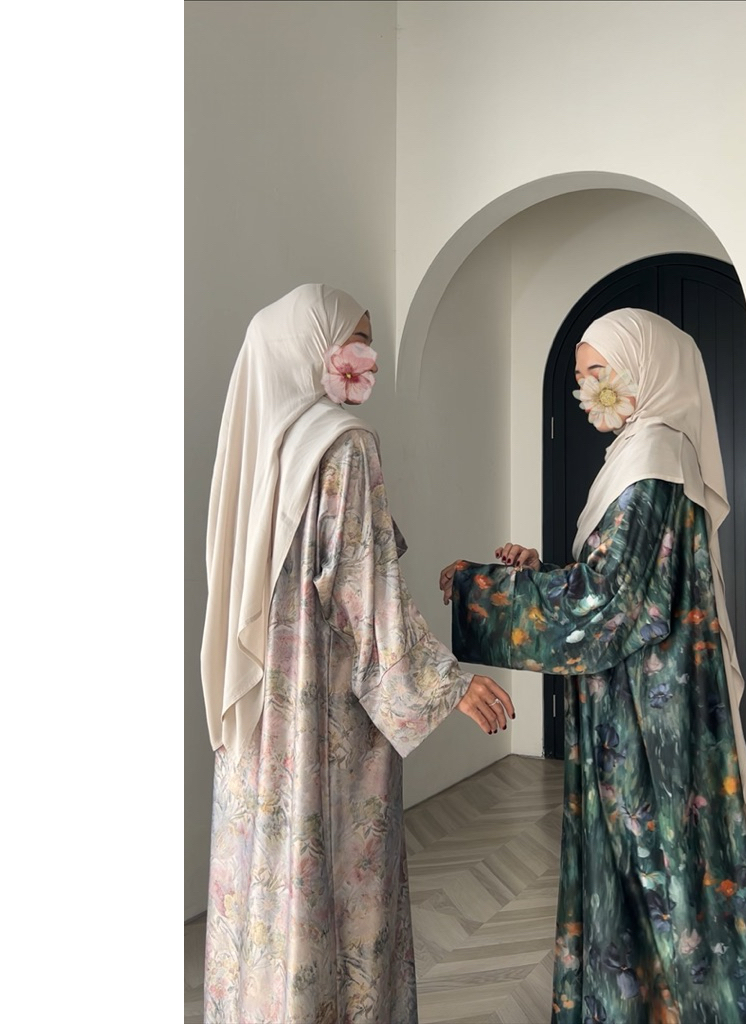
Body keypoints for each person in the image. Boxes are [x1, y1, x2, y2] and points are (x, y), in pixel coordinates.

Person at [200, 284, 514, 1024]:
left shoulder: (257, 448)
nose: (366, 356)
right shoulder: (344, 443)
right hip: (324, 716)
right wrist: (448, 684)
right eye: (355, 340)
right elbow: (363, 590)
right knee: (336, 869)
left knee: (266, 871)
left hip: (264, 715)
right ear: (314, 348)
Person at [440, 308, 746, 1024]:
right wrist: (539, 570)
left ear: (645, 368)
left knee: (658, 869)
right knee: (649, 867)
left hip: (649, 713)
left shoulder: (654, 459)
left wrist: (481, 589)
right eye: (581, 375)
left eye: (599, 371)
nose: (587, 389)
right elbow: (619, 580)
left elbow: (610, 603)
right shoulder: (638, 454)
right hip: (638, 696)